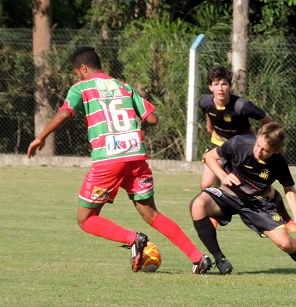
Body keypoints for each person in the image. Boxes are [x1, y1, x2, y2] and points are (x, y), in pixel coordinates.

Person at [27, 46, 212, 274]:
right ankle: (198, 257)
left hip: (109, 159)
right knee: (151, 213)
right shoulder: (124, 86)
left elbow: (65, 112)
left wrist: (40, 138)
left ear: (83, 68)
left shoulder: (81, 87)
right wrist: (136, 128)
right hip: (136, 156)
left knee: (86, 219)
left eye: (77, 72)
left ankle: (133, 239)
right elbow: (152, 118)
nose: (78, 76)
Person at [190, 122, 296, 277]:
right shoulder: (239, 143)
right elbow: (209, 157)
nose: (258, 151)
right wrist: (223, 176)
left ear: (276, 150)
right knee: (198, 205)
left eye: (265, 150)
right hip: (227, 194)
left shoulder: (279, 162)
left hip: (256, 203)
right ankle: (220, 259)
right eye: (258, 145)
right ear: (257, 136)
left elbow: (289, 188)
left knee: (285, 243)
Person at [199, 66, 296, 233]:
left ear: (229, 86)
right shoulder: (204, 101)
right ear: (210, 87)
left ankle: (287, 219)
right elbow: (209, 113)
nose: (220, 88)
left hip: (243, 147)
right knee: (206, 183)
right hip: (219, 143)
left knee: (260, 188)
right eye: (216, 84)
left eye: (224, 84)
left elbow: (268, 121)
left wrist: (265, 141)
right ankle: (212, 217)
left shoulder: (242, 106)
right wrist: (209, 125)